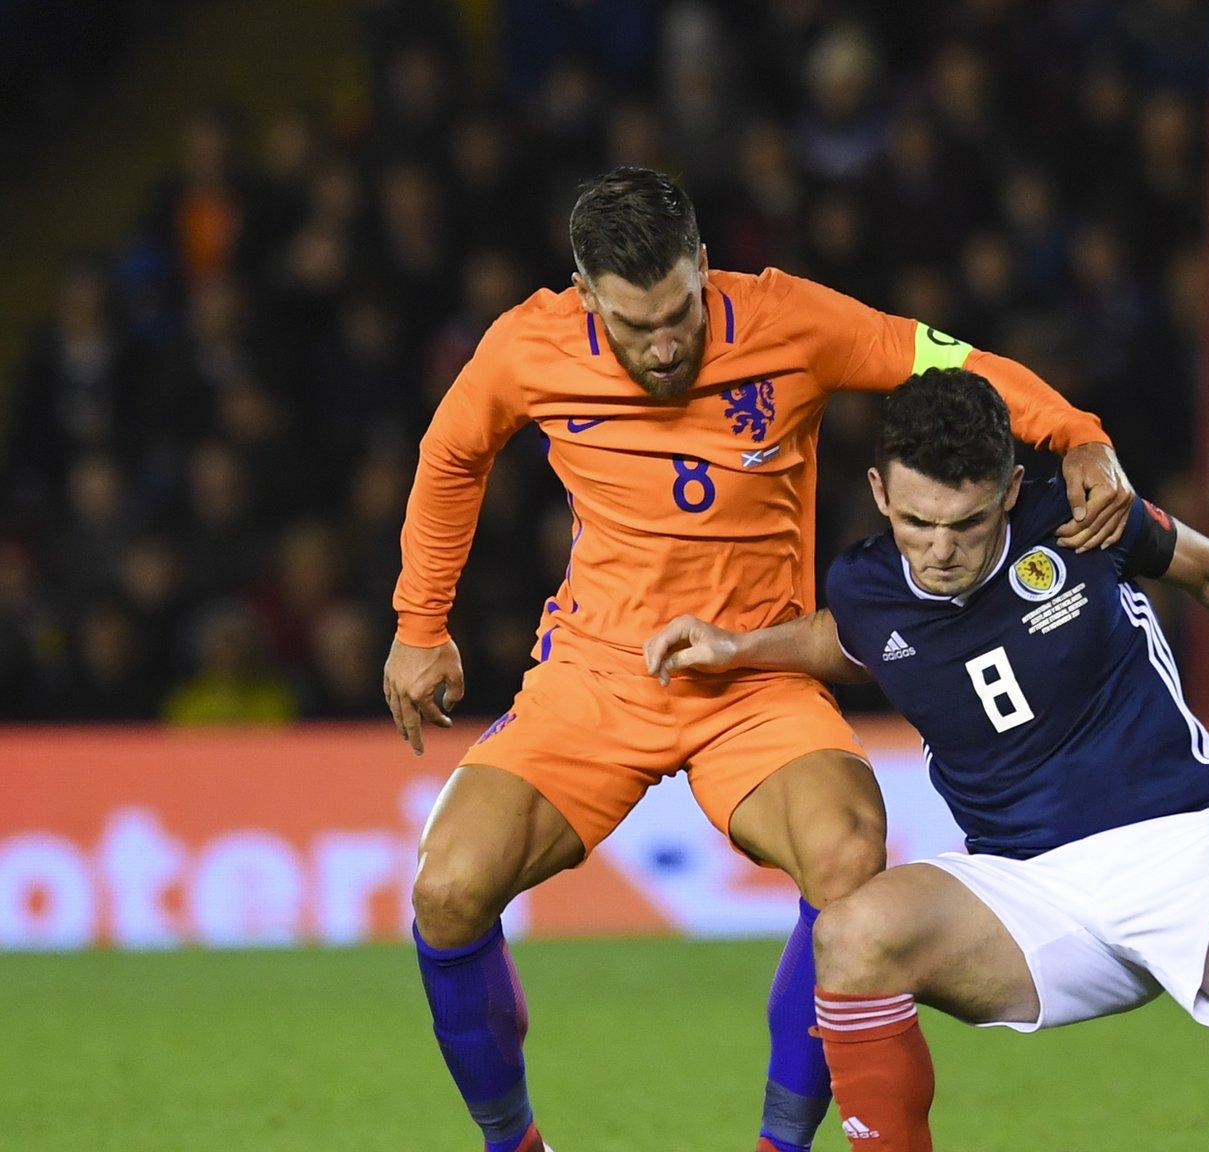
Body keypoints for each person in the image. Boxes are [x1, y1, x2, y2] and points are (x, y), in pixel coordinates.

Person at [383, 167, 1131, 1152]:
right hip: (595, 677)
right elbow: (451, 455)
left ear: (702, 267)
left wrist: (1072, 432)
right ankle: (514, 1145)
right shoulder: (529, 343)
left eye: (679, 315)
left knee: (847, 860)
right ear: (584, 295)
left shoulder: (789, 321)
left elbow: (946, 358)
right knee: (445, 891)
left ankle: (779, 1147)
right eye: (632, 325)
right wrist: (418, 620)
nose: (662, 345)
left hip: (756, 677)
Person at [644, 369, 1209, 1151]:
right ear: (878, 494)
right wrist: (741, 645)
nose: (939, 550)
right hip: (1024, 887)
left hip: (1184, 841)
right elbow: (859, 640)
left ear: (1012, 492)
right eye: (914, 523)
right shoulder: (864, 585)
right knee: (853, 936)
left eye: (967, 524)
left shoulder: (1081, 519)